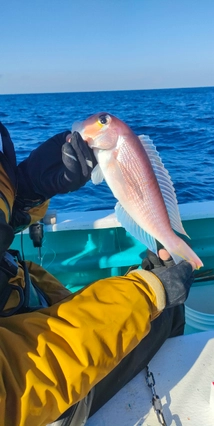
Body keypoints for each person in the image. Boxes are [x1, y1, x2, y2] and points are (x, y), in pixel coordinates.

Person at [0, 121, 196, 426]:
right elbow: (18, 385)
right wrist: (147, 293)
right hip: (38, 392)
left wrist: (26, 191)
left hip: (23, 293)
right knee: (165, 311)